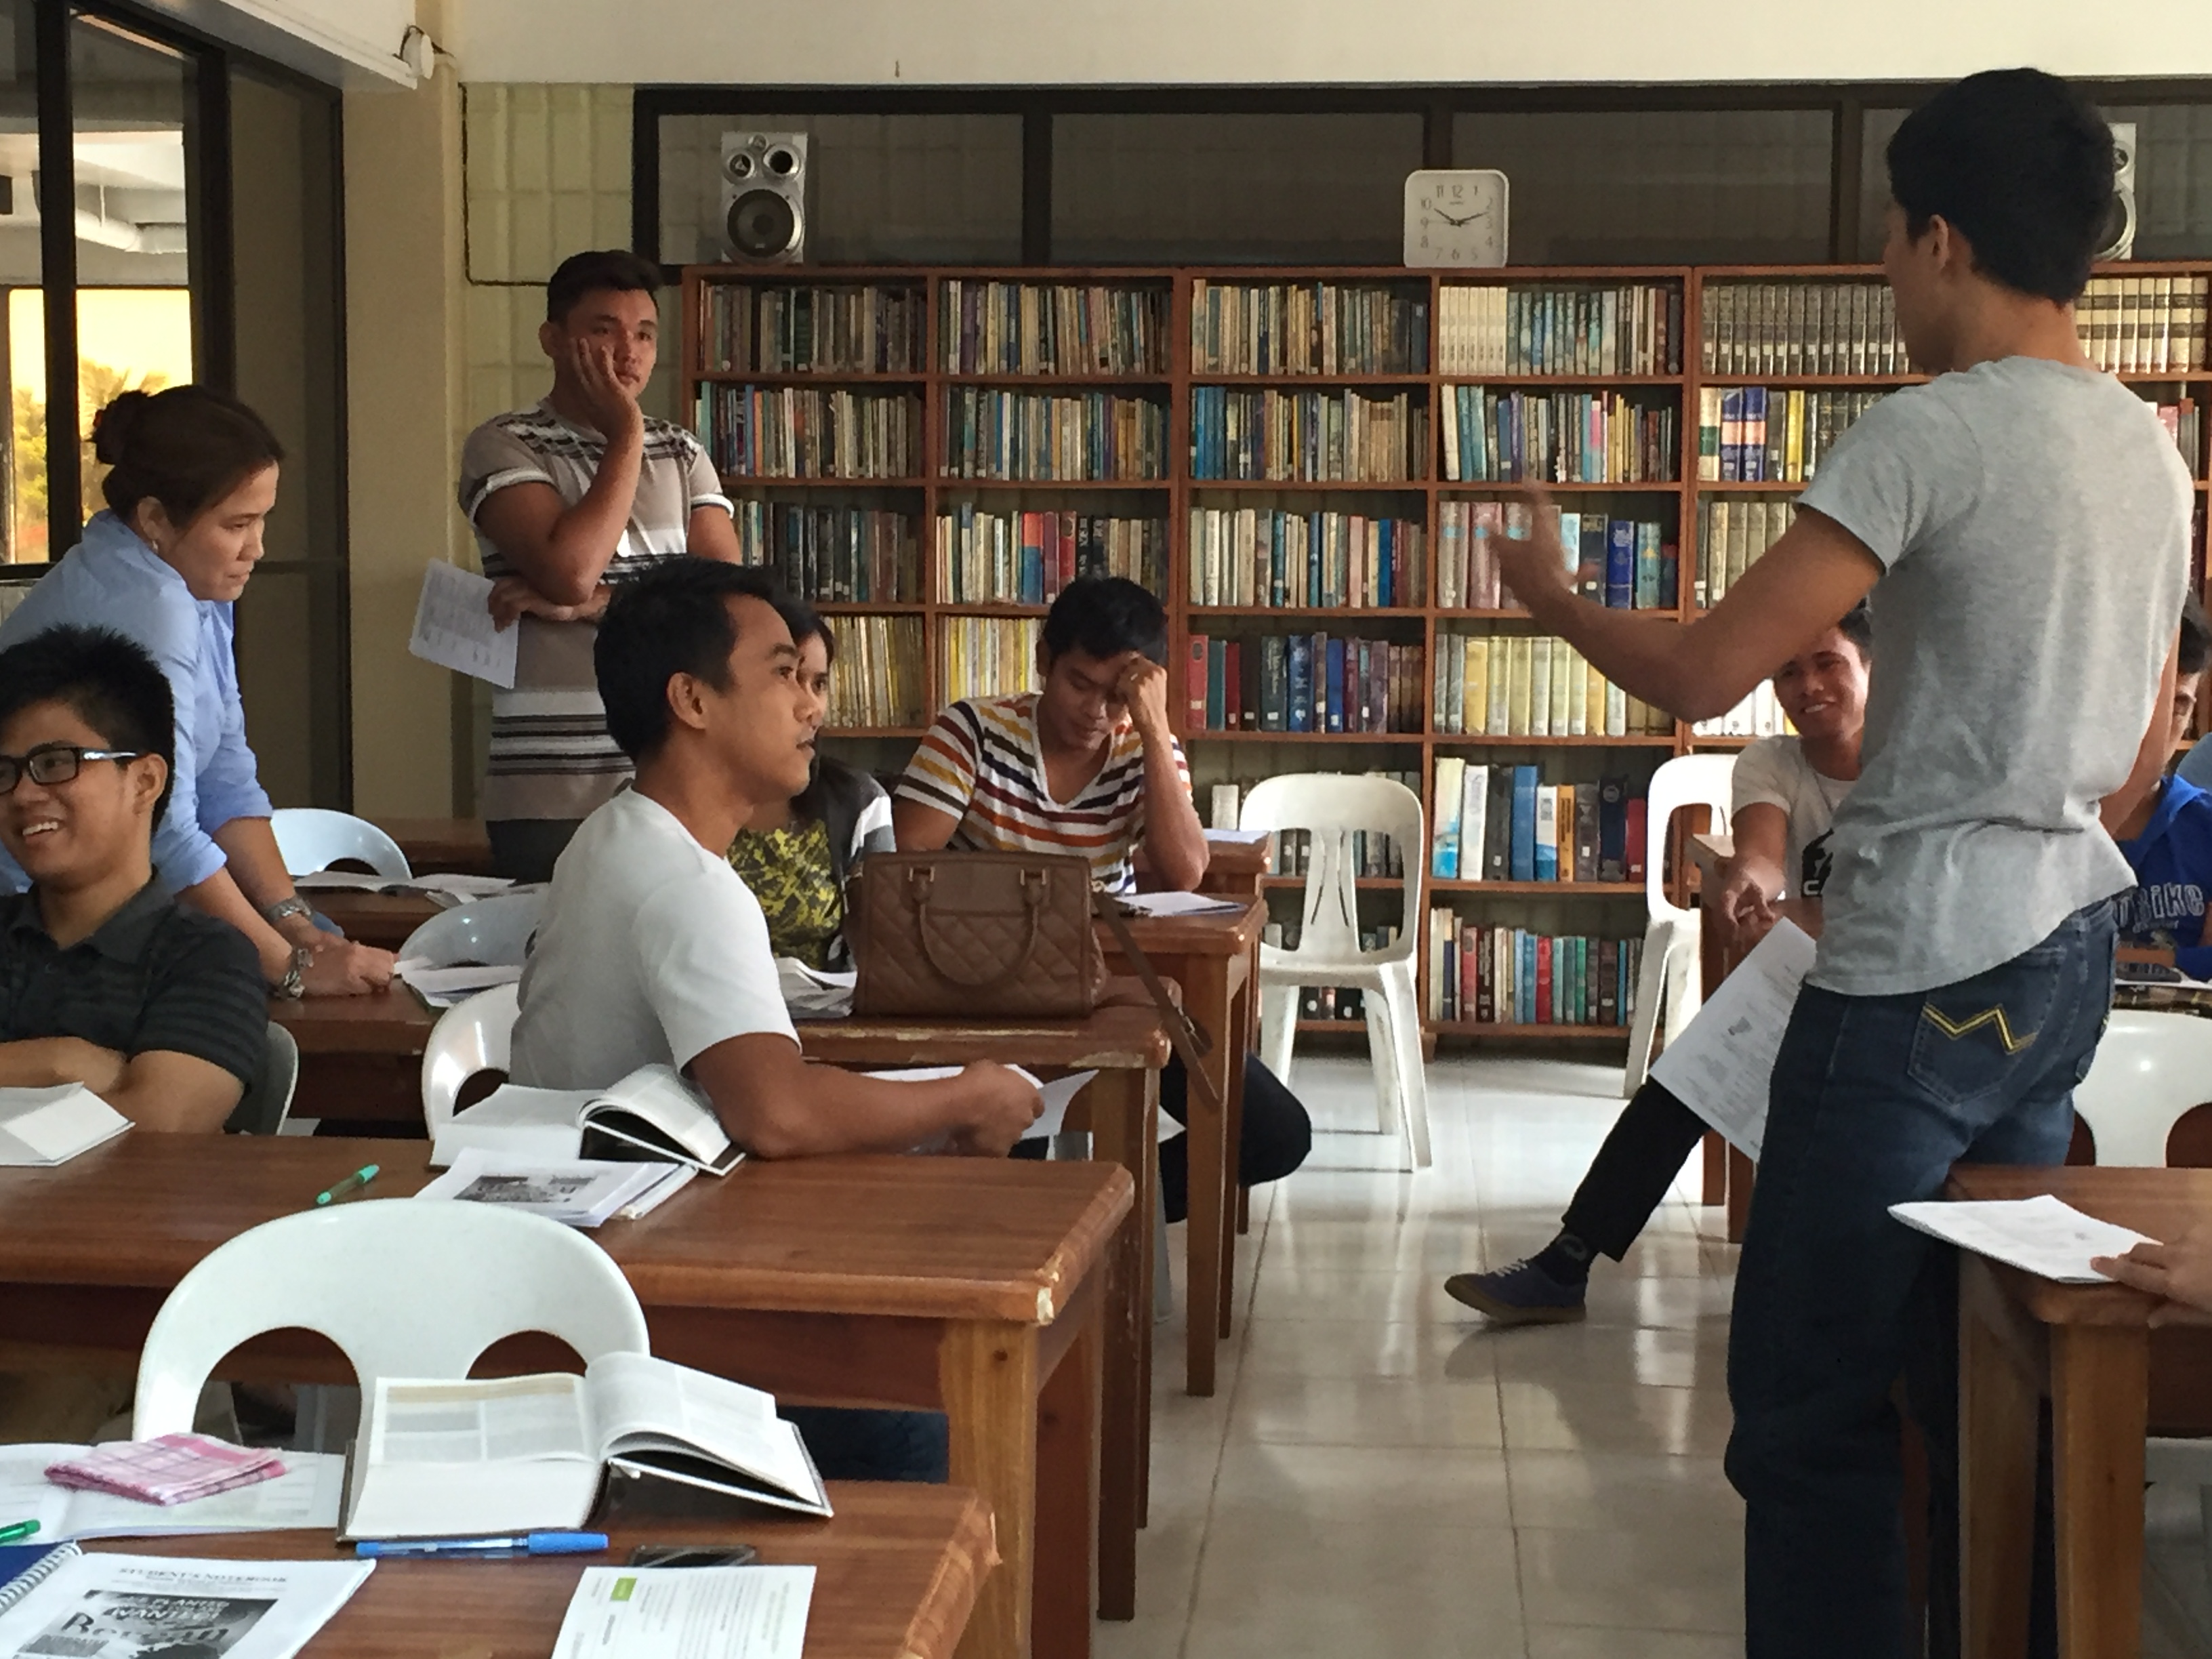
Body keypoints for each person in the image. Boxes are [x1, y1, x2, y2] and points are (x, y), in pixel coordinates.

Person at [1484, 71, 2189, 1658]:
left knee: (1807, 1405)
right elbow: (2147, 751)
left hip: (1918, 964)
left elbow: (1700, 669)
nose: (1885, 274)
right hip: (2069, 948)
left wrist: (1552, 596)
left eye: (1887, 241)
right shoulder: (2148, 447)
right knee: (1980, 1359)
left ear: (1942, 239)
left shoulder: (1927, 430)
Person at [1446, 606, 1872, 1324]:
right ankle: (1566, 1264)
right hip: (1810, 976)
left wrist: (1808, 917)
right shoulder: (1772, 761)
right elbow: (1763, 856)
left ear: (1871, 667)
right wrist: (1747, 886)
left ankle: (1816, 1289)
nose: (1809, 687)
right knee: (1689, 1075)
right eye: (1788, 673)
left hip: (1902, 985)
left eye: (1828, 664)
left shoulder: (1914, 763)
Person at [892, 575, 1311, 1223]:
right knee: (1002, 1159)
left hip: (1110, 987)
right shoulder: (974, 731)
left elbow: (1185, 870)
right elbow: (904, 862)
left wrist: (1153, 727)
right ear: (1044, 662)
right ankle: (1058, 1221)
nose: (1095, 712)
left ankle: (1092, 1219)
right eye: (1079, 685)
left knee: (1274, 1132)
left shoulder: (1142, 747)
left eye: (1117, 696)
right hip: (987, 986)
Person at [0, 387, 392, 1000]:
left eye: (262, 519)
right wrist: (290, 968)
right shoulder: (148, 605)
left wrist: (293, 922)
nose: (257, 548)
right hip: (30, 920)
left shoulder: (187, 584)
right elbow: (163, 826)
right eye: (237, 525)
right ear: (155, 519)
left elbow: (225, 778)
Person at [457, 249, 743, 883]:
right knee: (553, 942)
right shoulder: (505, 444)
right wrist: (627, 435)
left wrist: (596, 607)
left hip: (673, 775)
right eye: (604, 330)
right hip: (552, 785)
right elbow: (570, 572)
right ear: (553, 340)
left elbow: (730, 601)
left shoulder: (681, 450)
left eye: (645, 335)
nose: (628, 352)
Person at [0, 623, 268, 1130]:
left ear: (145, 781)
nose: (23, 794)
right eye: (4, 772)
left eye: (55, 763)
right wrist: (62, 1063)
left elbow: (159, 1129)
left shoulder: (207, 956)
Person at [725, 595, 891, 970]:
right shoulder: (677, 808)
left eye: (819, 684)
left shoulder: (858, 801)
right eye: (787, 677)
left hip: (832, 1004)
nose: (811, 707)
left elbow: (886, 954)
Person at [2107, 593, 2212, 975]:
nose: (2155, 729)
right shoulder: (2043, 826)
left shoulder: (2205, 825)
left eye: (2179, 708)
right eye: (2145, 705)